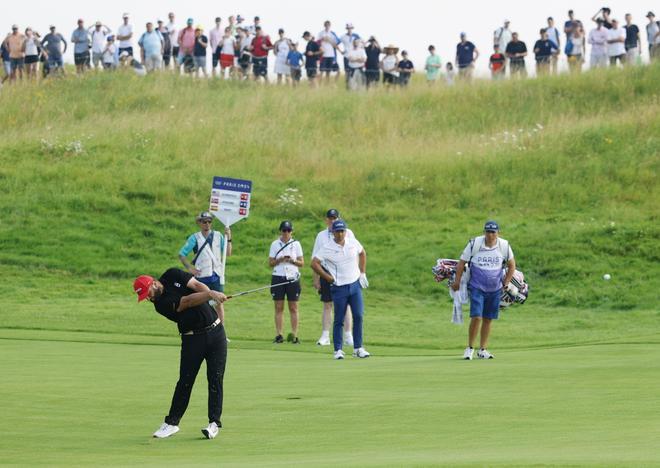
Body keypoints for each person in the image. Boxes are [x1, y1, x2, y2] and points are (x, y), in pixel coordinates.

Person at [133, 269, 228, 440]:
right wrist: (211, 295)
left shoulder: (172, 274)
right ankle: (172, 423)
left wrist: (215, 303)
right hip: (192, 339)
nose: (148, 298)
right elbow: (187, 301)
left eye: (148, 293)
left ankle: (214, 424)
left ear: (153, 283)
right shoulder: (160, 304)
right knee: (185, 381)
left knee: (215, 378)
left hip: (216, 334)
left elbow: (197, 285)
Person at [451, 221, 516, 360]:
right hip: (477, 287)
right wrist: (456, 281)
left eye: (493, 232)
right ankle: (469, 348)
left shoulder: (504, 245)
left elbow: (512, 266)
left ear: (498, 233)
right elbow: (461, 263)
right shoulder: (475, 244)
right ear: (484, 232)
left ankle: (483, 349)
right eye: (488, 232)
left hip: (495, 289)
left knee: (488, 319)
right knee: (476, 317)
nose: (490, 235)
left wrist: (506, 282)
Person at [311, 219, 369, 360]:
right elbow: (314, 263)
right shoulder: (328, 247)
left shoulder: (352, 242)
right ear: (333, 233)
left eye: (343, 231)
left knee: (358, 316)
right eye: (338, 231)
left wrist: (362, 273)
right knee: (338, 319)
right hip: (339, 287)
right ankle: (338, 350)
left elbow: (362, 253)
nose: (341, 234)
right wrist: (326, 276)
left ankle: (358, 348)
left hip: (355, 285)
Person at [179, 212, 233, 330]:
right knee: (201, 304)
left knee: (219, 303)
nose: (207, 224)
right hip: (201, 277)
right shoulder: (195, 238)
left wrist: (229, 238)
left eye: (209, 221)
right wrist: (190, 268)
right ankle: (201, 329)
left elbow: (228, 253)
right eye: (204, 221)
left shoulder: (219, 236)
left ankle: (221, 331)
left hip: (216, 275)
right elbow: (182, 254)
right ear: (199, 223)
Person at [311, 209, 354, 347]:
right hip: (326, 272)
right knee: (327, 304)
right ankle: (325, 335)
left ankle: (348, 335)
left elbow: (356, 253)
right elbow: (315, 259)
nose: (332, 220)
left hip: (345, 271)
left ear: (339, 218)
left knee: (346, 304)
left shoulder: (348, 233)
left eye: (335, 218)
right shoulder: (321, 236)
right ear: (326, 220)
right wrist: (316, 278)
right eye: (330, 218)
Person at [269, 221, 304, 344]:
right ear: (281, 231)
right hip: (278, 276)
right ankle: (279, 334)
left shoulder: (296, 244)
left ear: (291, 232)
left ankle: (294, 335)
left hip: (292, 277)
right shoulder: (275, 244)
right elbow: (270, 263)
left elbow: (302, 263)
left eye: (288, 231)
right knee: (279, 307)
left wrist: (292, 260)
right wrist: (280, 259)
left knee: (293, 307)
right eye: (284, 230)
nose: (286, 233)